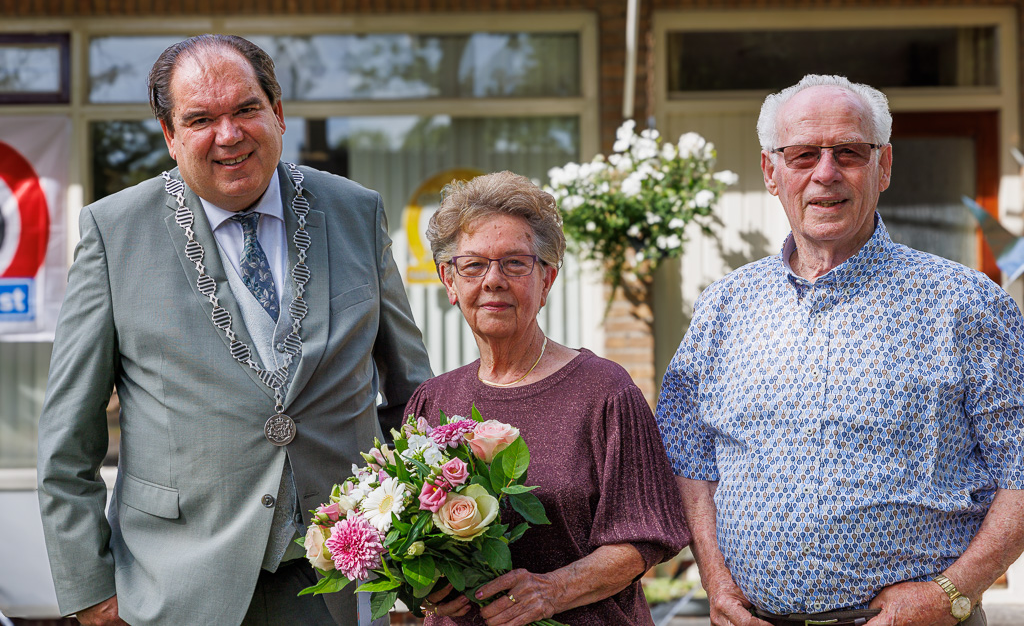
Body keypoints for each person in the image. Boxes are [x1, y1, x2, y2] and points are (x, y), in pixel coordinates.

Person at [36, 35, 432, 626]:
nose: (229, 134)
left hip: (342, 581)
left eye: (246, 109)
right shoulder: (113, 232)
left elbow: (412, 397)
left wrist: (422, 554)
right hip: (177, 584)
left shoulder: (356, 211)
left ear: (277, 112)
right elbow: (69, 437)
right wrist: (91, 591)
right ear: (171, 137)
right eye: (200, 119)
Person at [656, 74, 1024, 626]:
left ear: (884, 167)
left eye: (848, 152)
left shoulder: (965, 304)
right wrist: (713, 575)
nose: (825, 174)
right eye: (803, 154)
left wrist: (952, 592)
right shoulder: (724, 307)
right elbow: (688, 456)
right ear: (770, 172)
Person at [403, 171, 689, 626]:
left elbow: (646, 538)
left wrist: (552, 591)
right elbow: (408, 537)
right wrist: (423, 590)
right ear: (449, 282)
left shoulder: (604, 390)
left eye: (515, 263)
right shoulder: (433, 400)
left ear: (548, 278)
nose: (493, 280)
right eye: (473, 265)